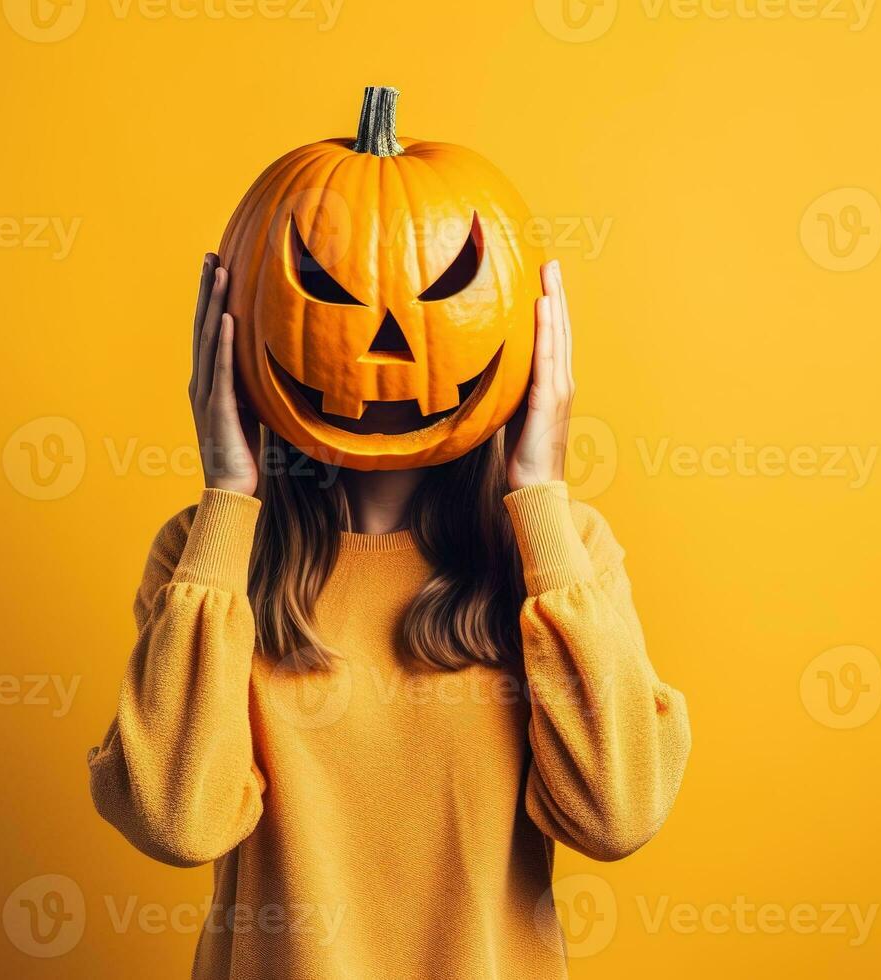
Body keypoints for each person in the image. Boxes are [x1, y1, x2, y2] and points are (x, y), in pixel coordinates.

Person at [89, 254, 691, 978]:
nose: (382, 348)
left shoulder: (561, 552)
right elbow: (177, 822)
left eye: (441, 293)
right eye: (329, 295)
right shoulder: (206, 554)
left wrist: (541, 495)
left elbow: (616, 815)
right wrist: (228, 495)